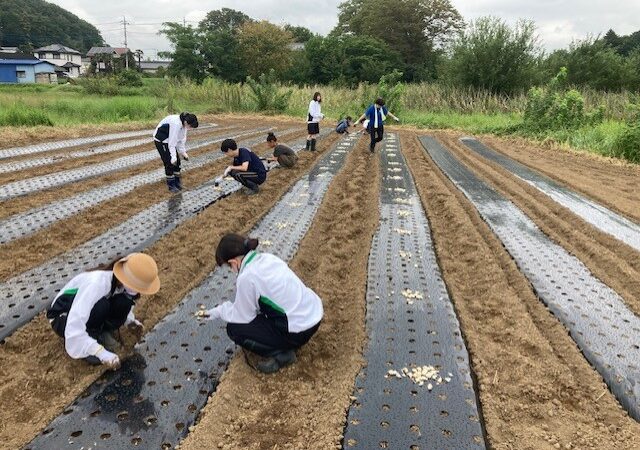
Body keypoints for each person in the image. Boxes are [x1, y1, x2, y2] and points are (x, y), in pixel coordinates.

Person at [201, 234, 323, 374]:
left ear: (233, 262)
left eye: (229, 267)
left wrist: (219, 311)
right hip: (313, 317)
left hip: (298, 331)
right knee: (263, 312)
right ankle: (286, 342)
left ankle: (282, 354)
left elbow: (243, 317)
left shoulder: (247, 277)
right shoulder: (268, 258)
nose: (232, 270)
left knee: (234, 329)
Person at [46, 253, 160, 370]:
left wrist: (130, 321)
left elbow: (121, 300)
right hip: (63, 318)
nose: (136, 292)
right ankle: (90, 343)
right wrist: (100, 352)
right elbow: (75, 322)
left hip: (82, 314)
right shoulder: (97, 283)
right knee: (101, 305)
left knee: (123, 301)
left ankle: (102, 332)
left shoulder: (120, 284)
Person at [153, 112, 199, 192]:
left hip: (169, 139)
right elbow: (172, 143)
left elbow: (181, 140)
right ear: (186, 122)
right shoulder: (176, 124)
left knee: (177, 162)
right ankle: (171, 185)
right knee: (169, 162)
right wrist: (173, 156)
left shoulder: (184, 125)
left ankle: (177, 183)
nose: (190, 128)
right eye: (190, 126)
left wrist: (183, 152)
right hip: (161, 139)